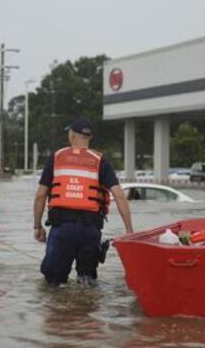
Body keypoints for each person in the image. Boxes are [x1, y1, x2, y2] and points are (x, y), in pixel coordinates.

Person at [33, 117, 133, 286]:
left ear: (71, 135)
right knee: (86, 283)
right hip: (90, 231)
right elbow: (119, 195)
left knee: (53, 285)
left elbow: (40, 195)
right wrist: (129, 230)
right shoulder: (101, 161)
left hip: (62, 229)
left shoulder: (56, 158)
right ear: (89, 137)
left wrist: (37, 226)